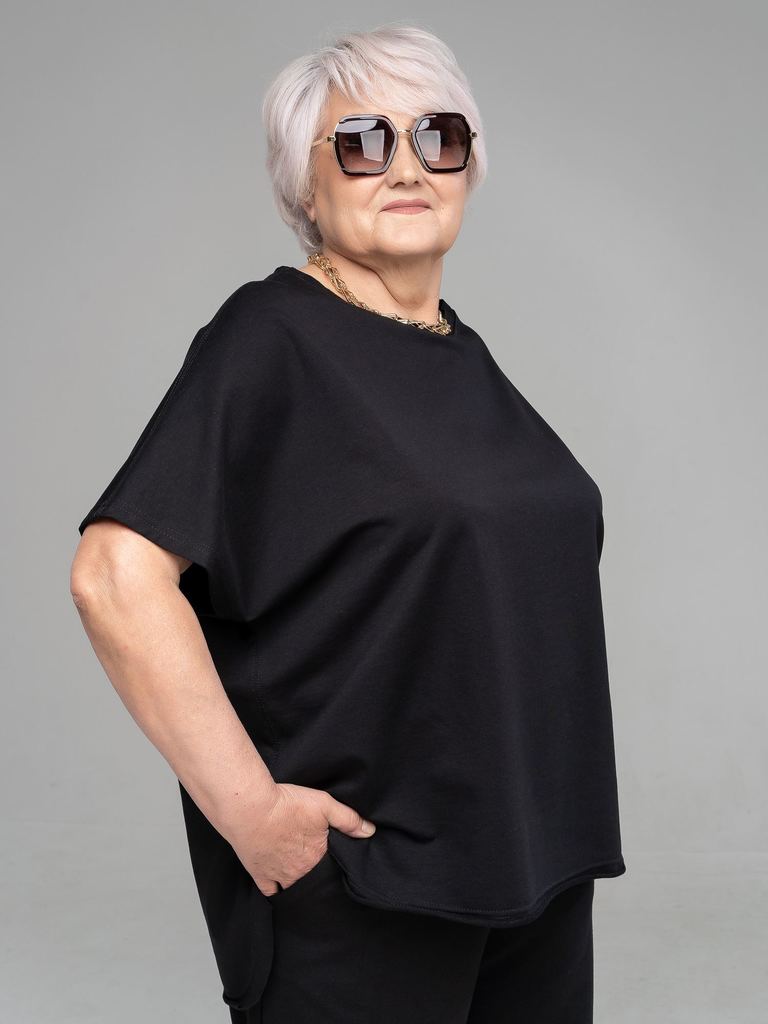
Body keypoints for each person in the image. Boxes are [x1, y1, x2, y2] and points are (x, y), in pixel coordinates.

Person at [70, 23, 626, 1024]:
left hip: (531, 875)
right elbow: (114, 575)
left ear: (468, 166)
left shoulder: (458, 354)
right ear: (307, 186)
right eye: (365, 143)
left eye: (438, 137)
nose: (408, 167)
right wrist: (250, 811)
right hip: (366, 888)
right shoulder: (271, 335)